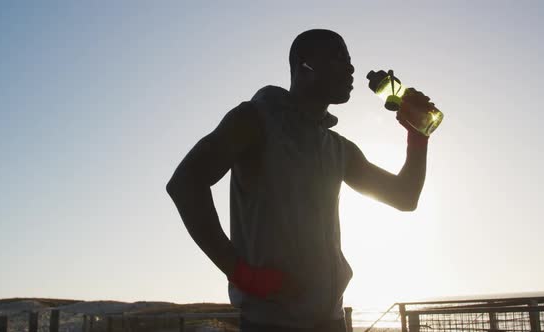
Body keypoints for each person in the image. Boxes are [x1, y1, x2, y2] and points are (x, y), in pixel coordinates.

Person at [166, 29, 433, 332]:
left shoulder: (337, 148)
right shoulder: (254, 120)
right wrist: (242, 274)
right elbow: (185, 183)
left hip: (331, 322)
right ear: (303, 66)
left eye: (349, 60)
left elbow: (404, 197)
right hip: (270, 323)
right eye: (337, 58)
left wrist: (418, 136)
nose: (350, 68)